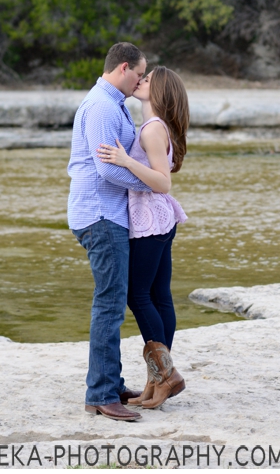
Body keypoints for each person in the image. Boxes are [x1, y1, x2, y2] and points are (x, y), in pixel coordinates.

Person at [68, 42, 152, 422]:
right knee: (110, 302)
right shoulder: (102, 106)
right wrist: (151, 184)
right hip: (101, 215)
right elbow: (105, 170)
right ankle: (101, 394)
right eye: (139, 73)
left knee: (113, 300)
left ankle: (111, 383)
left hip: (106, 213)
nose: (140, 81)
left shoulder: (112, 102)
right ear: (123, 68)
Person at [97, 66, 190, 409]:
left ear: (160, 92)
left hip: (150, 219)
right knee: (159, 296)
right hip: (161, 218)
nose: (141, 81)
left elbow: (163, 182)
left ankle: (165, 376)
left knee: (138, 295)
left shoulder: (152, 129)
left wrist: (123, 160)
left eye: (148, 79)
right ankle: (157, 379)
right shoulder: (155, 126)